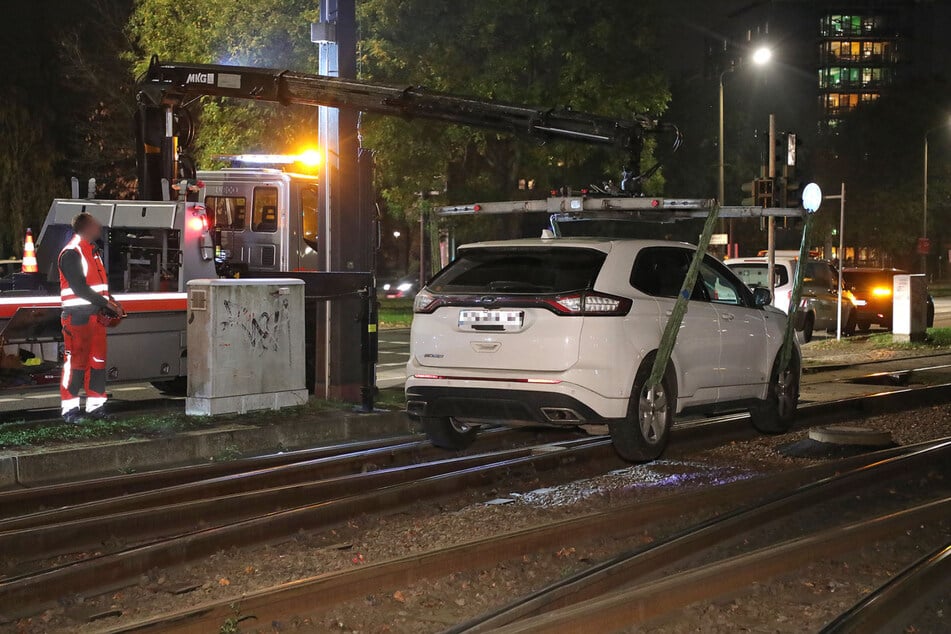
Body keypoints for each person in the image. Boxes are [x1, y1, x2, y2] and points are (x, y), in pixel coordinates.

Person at [58, 213, 124, 423]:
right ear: (86, 228)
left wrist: (111, 302)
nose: (100, 230)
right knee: (76, 364)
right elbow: (79, 288)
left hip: (94, 318)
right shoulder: (72, 252)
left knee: (97, 363)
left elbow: (99, 287)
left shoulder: (92, 252)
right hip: (78, 318)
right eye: (96, 227)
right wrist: (108, 304)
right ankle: (70, 410)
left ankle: (96, 407)